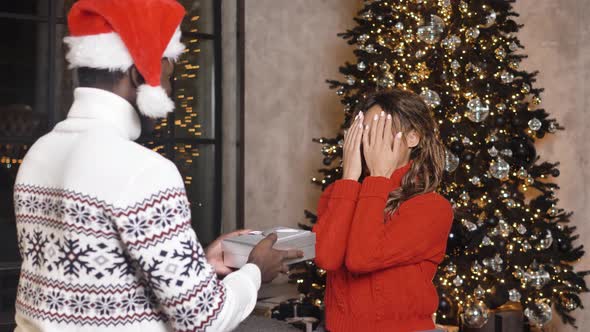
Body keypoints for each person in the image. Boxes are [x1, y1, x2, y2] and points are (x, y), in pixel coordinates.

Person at [13, 1, 301, 331]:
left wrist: (199, 265)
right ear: (140, 73)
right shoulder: (144, 170)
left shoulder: (39, 152)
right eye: (169, 75)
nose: (171, 89)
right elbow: (204, 319)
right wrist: (255, 271)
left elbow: (99, 277)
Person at [313, 89, 454, 331]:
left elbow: (362, 258)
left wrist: (378, 177)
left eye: (380, 131)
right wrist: (348, 178)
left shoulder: (432, 207)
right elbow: (326, 258)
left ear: (413, 138)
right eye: (365, 133)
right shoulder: (341, 193)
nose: (370, 144)